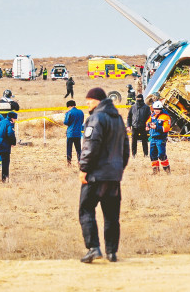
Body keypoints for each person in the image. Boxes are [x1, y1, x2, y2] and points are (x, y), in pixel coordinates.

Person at [78, 87, 129, 263]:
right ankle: (112, 252)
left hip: (95, 175)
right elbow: (125, 148)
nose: (87, 105)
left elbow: (90, 146)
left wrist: (84, 169)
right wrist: (119, 169)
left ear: (98, 101)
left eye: (89, 102)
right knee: (111, 215)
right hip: (114, 177)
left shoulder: (96, 118)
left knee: (86, 209)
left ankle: (93, 248)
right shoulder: (118, 119)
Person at [147, 100, 171, 174]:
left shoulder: (166, 117)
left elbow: (166, 128)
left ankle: (167, 170)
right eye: (155, 109)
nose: (156, 111)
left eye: (158, 109)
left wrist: (156, 127)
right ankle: (155, 171)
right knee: (152, 155)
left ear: (161, 109)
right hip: (153, 138)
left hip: (161, 139)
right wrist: (148, 125)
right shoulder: (152, 115)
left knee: (161, 154)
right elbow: (148, 121)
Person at [0, 111, 17, 182]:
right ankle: (4, 178)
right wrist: (13, 142)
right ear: (12, 118)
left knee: (3, 160)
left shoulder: (1, 122)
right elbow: (10, 133)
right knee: (6, 161)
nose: (15, 120)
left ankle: (4, 177)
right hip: (4, 144)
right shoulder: (10, 124)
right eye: (15, 119)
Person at [126, 94, 151, 158]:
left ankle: (146, 154)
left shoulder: (146, 108)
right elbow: (129, 117)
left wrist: (148, 126)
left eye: (139, 100)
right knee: (133, 141)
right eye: (137, 100)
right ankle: (133, 154)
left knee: (144, 141)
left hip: (143, 127)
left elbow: (149, 118)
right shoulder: (133, 107)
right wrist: (128, 126)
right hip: (134, 127)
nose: (138, 102)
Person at [64, 100, 84, 165]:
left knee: (69, 148)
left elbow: (66, 122)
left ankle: (69, 162)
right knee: (78, 149)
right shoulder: (81, 112)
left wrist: (66, 114)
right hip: (78, 133)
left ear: (69, 106)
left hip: (70, 133)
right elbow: (82, 121)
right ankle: (79, 161)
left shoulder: (69, 112)